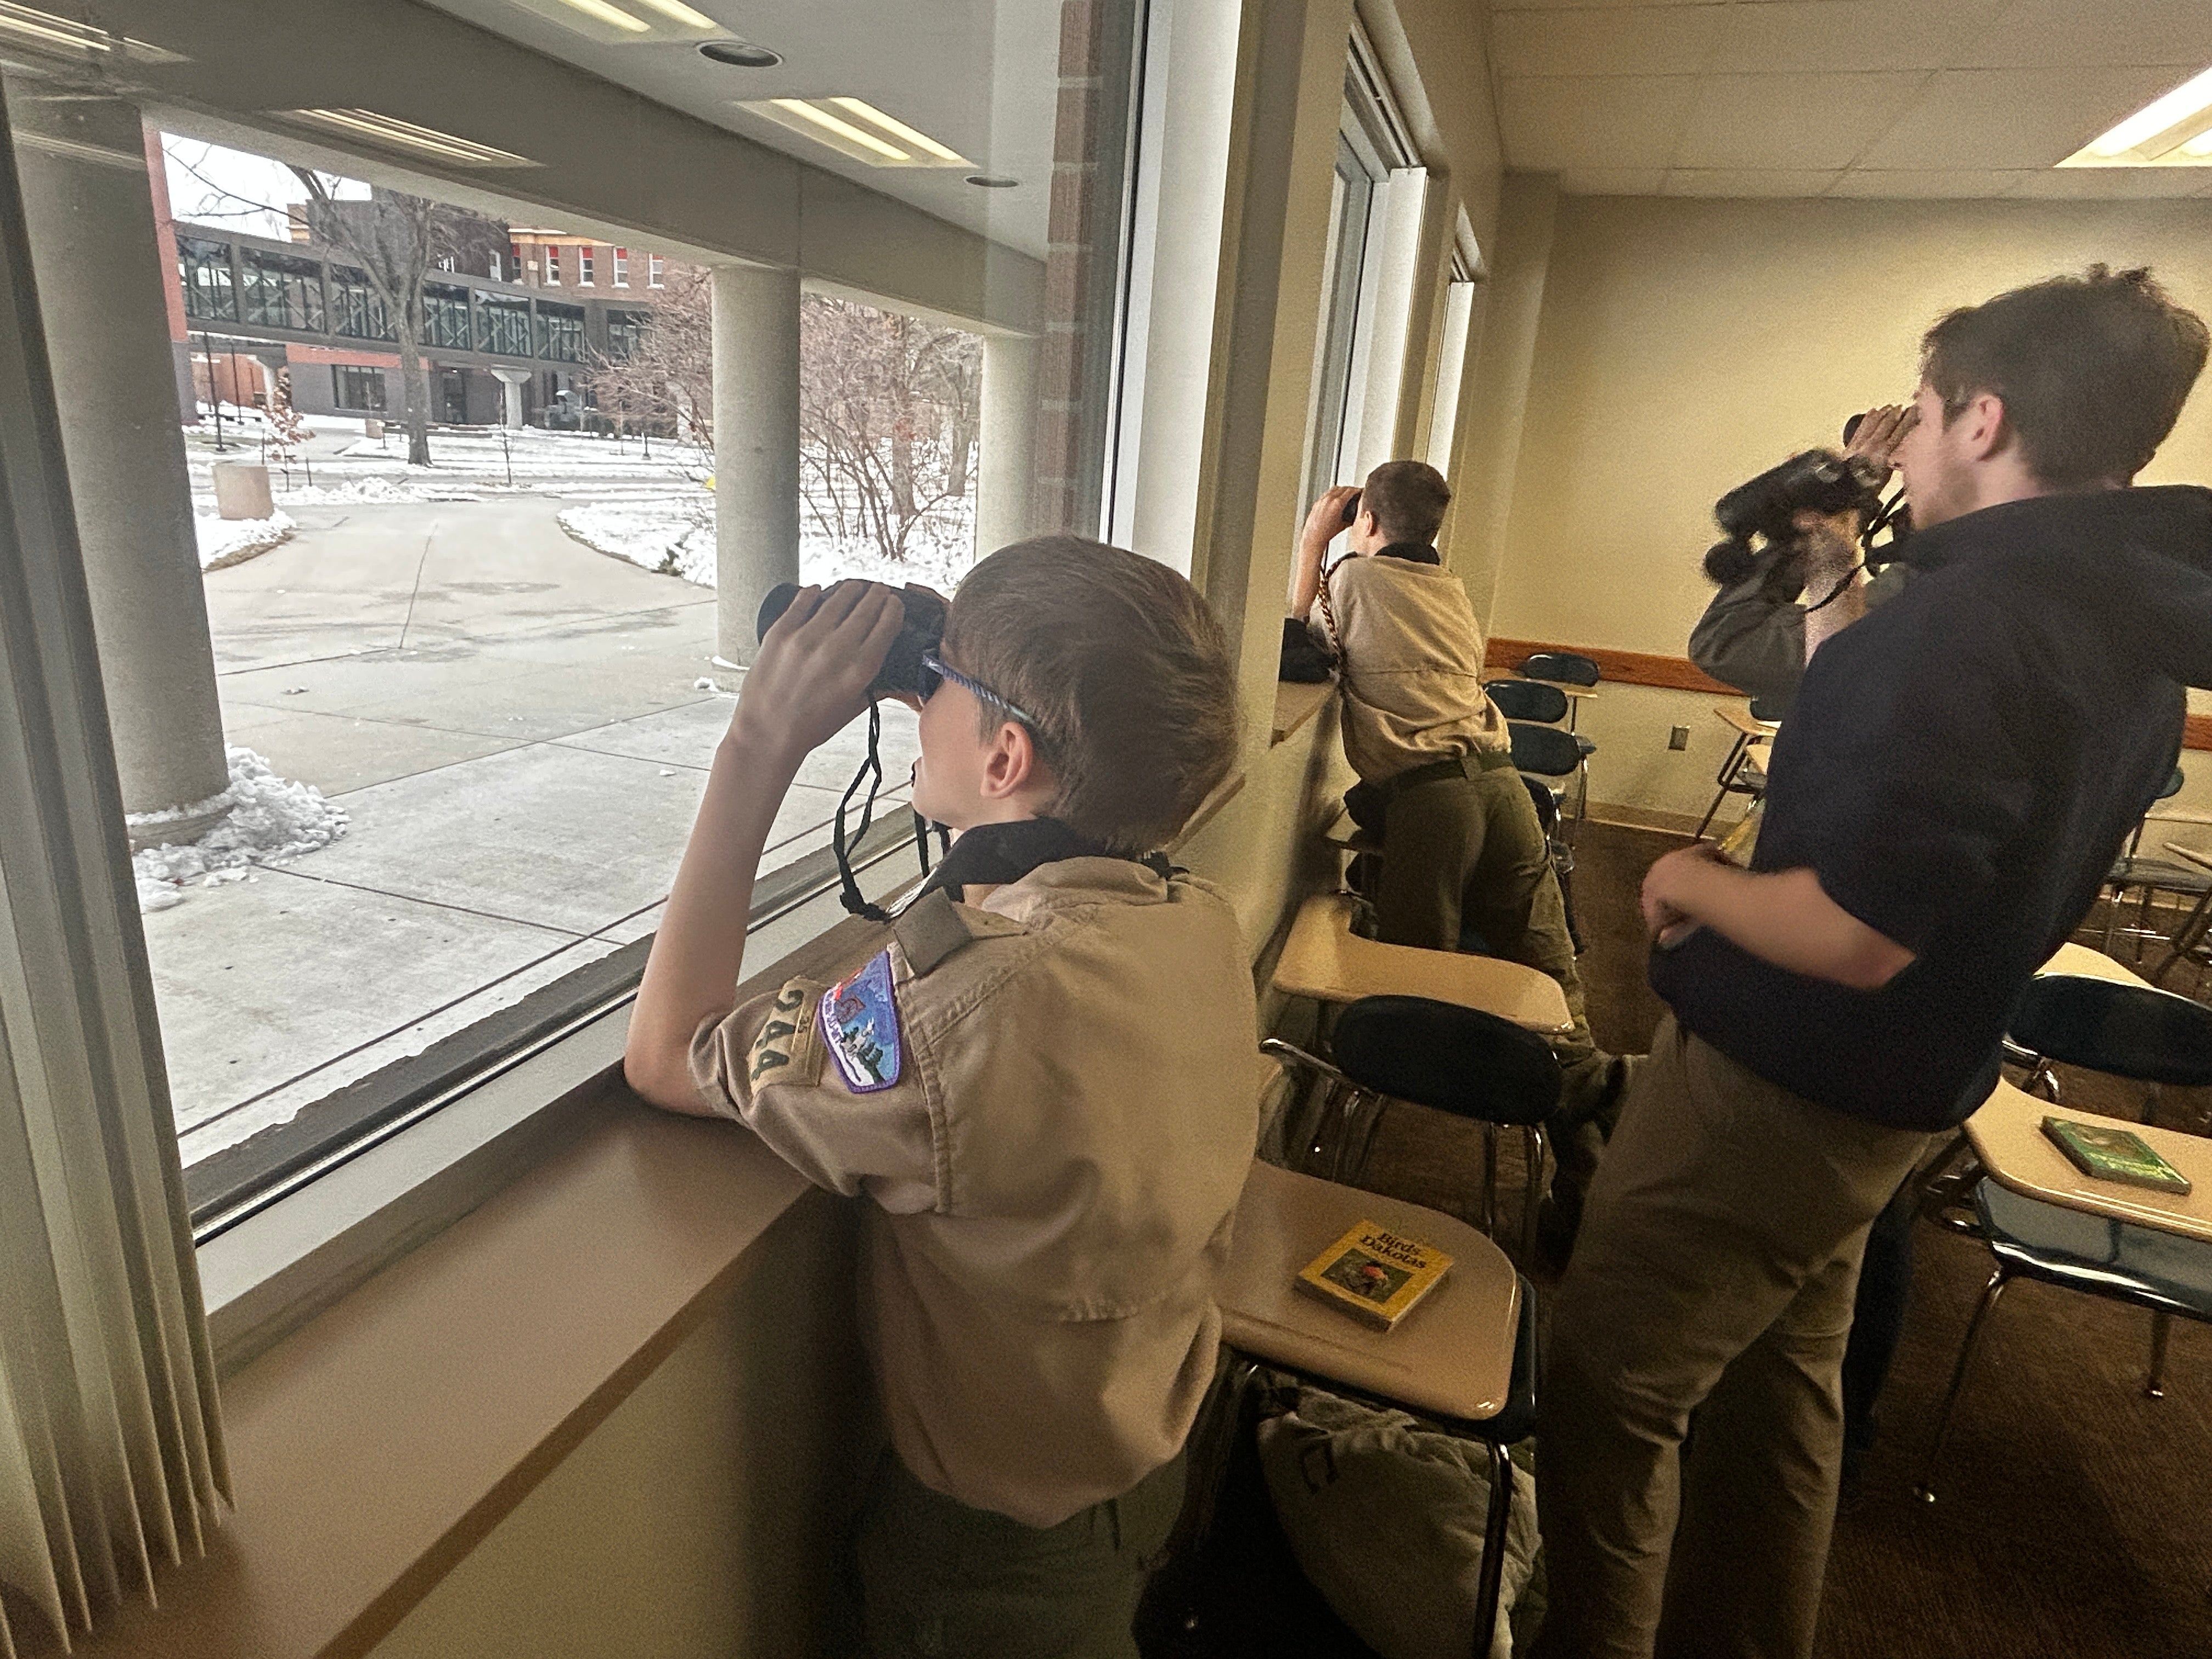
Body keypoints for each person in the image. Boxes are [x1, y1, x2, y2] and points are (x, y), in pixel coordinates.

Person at [1535, 266, 2212, 1659]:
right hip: (1901, 1093)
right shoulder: (2126, 635)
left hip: (1780, 1082)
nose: (1904, 429)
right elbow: (1892, 745)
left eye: (1922, 406)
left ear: (1982, 416)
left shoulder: (1970, 625)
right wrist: (1839, 568)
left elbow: (1855, 930)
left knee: (1613, 1386)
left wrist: (1688, 881)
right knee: (1784, 1392)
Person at [622, 538, 1257, 1659]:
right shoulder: (1194, 918)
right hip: (1146, 1464)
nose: (919, 705)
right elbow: (1003, 928)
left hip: (991, 1573)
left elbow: (668, 1053)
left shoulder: (962, 1009)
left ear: (1006, 755)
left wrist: (759, 742)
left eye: (937, 681)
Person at [1288, 459, 1633, 1256]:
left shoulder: (1351, 578)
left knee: (1416, 989)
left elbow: (1300, 655)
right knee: (1551, 984)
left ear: (1365, 522)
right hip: (1506, 791)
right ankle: (1598, 1126)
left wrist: (1313, 543)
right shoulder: (1453, 592)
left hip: (1432, 803)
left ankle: (1385, 1164)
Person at [1686, 402, 1924, 1496]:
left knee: (1825, 1224)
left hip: (1840, 978)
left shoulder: (1924, 609)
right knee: (1856, 1225)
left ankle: (1792, 1436)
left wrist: (1834, 525)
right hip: (1913, 1007)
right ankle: (1833, 1432)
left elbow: (1726, 644)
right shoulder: (2063, 606)